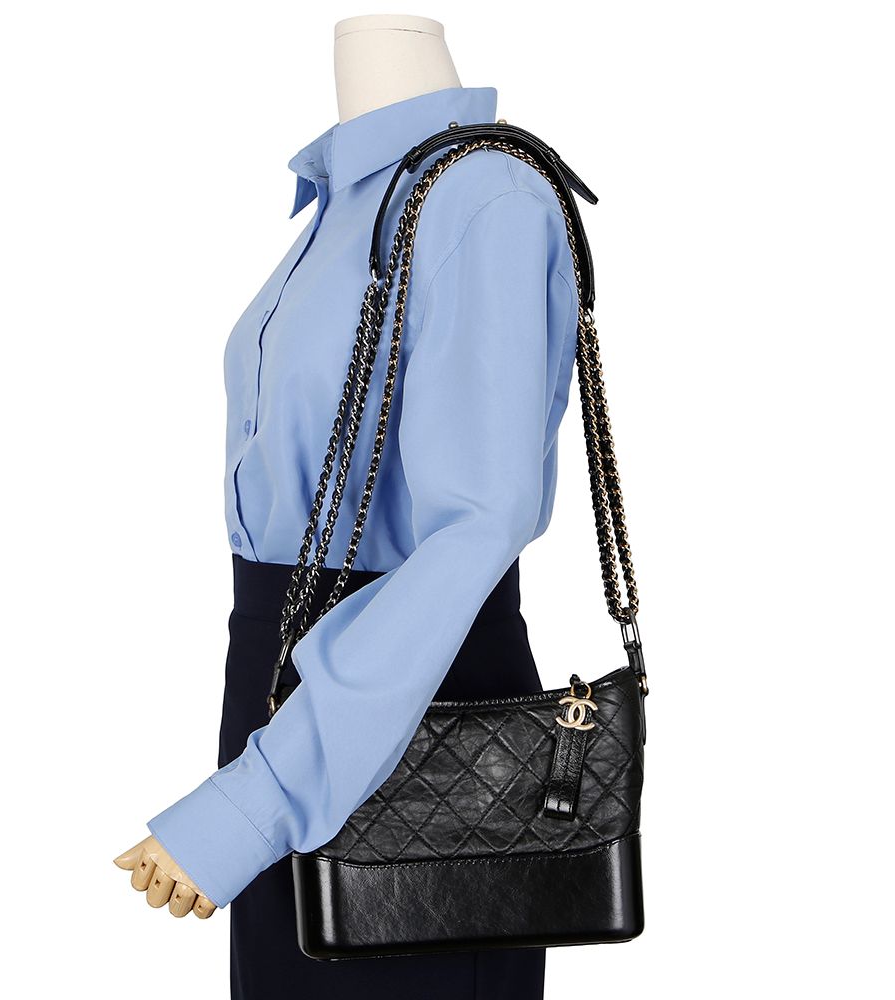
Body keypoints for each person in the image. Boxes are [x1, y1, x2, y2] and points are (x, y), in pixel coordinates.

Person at [115, 21, 580, 1000]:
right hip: (290, 700)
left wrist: (257, 798)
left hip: (416, 714)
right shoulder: (352, 205)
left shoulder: (481, 198)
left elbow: (476, 527)